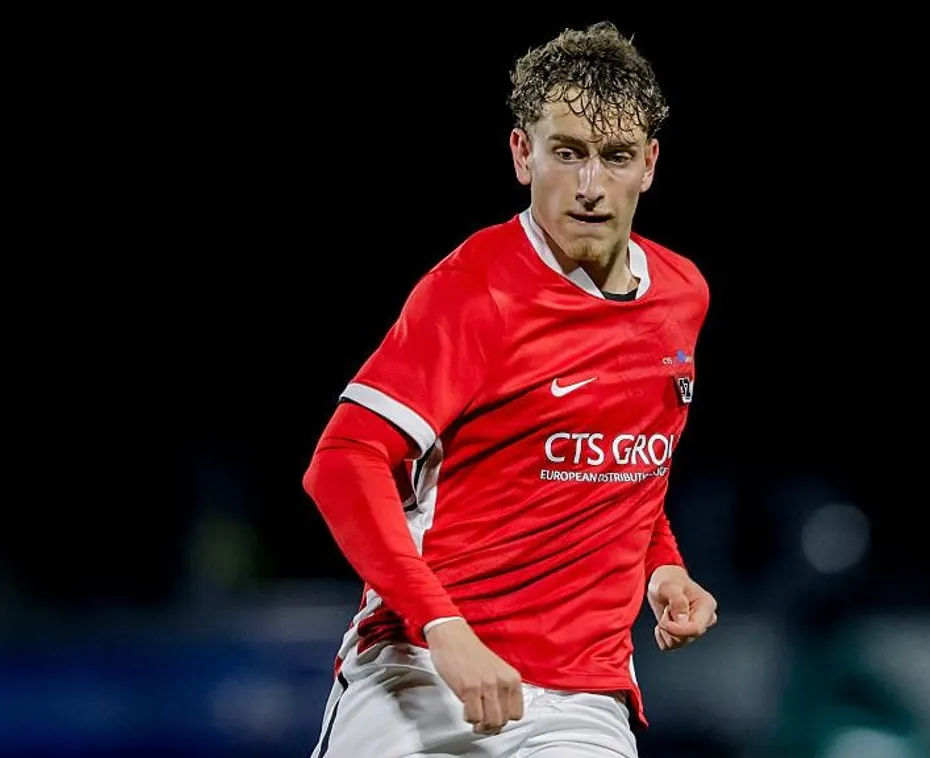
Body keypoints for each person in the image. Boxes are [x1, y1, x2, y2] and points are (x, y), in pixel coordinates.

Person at [302, 20, 717, 758]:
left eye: (615, 156)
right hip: (425, 671)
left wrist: (663, 567)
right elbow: (343, 461)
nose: (590, 186)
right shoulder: (474, 292)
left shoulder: (681, 295)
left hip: (582, 699)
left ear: (649, 164)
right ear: (523, 154)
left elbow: (624, 469)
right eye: (568, 153)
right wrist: (444, 628)